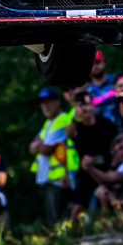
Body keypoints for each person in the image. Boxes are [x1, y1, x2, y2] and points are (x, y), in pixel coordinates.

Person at [29, 87, 78, 224]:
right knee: (53, 220)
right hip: (48, 179)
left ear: (57, 102)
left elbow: (46, 149)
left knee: (60, 220)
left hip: (60, 179)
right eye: (42, 102)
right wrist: (39, 145)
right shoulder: (48, 123)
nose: (45, 106)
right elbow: (32, 148)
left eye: (48, 101)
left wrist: (39, 145)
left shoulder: (62, 119)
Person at [67, 98, 117, 219]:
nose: (85, 108)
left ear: (93, 106)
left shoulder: (105, 124)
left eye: (87, 105)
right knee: (77, 207)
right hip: (85, 174)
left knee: (104, 196)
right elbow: (68, 135)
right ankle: (73, 228)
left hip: (106, 170)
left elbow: (116, 146)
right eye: (81, 106)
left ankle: (108, 223)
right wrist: (75, 119)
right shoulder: (77, 128)